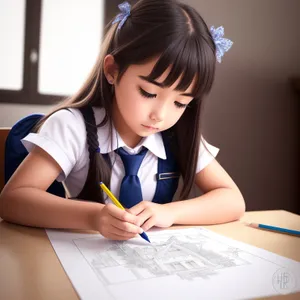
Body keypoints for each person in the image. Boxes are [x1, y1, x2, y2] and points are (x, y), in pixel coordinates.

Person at [0, 0, 245, 241]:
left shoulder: (178, 133)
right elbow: (13, 200)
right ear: (112, 71)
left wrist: (169, 212)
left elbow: (232, 200)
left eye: (180, 103)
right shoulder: (73, 126)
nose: (160, 115)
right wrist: (94, 217)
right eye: (149, 93)